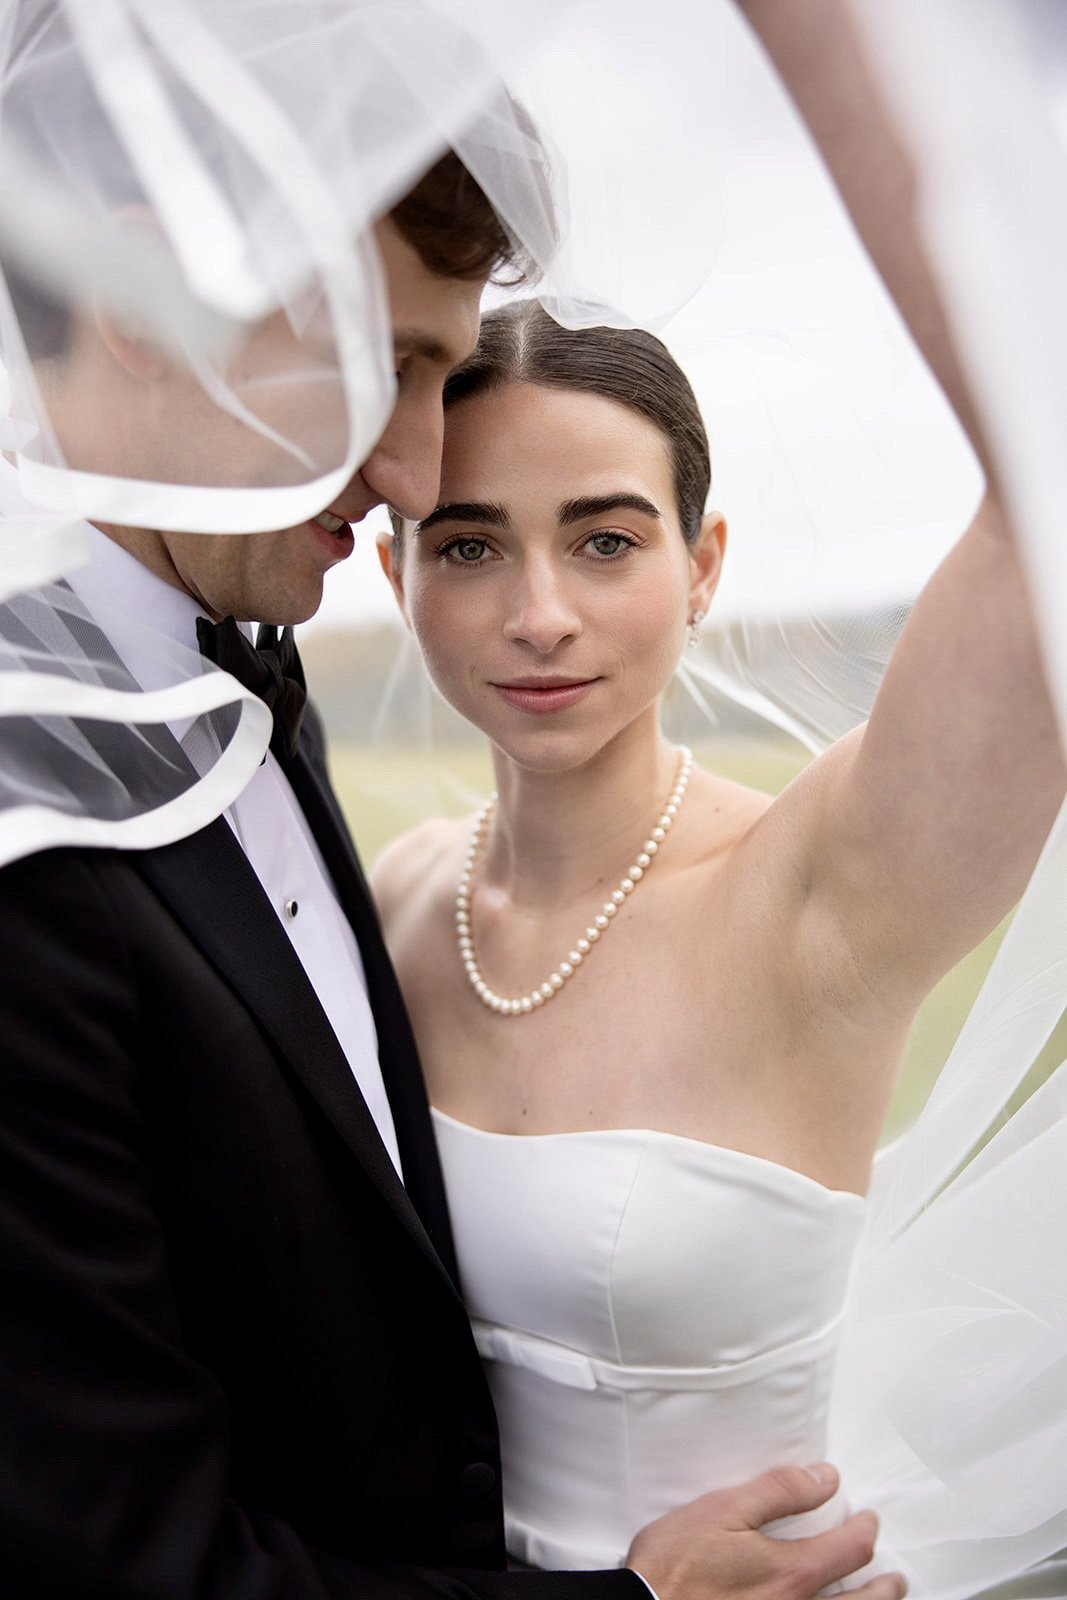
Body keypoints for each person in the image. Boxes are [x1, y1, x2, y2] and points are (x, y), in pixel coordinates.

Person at [0, 14, 902, 1600]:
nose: (418, 477)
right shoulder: (32, 842)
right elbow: (118, 1555)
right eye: (393, 363)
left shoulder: (227, 678)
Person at [370, 282, 1065, 1587]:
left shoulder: (821, 892)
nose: (540, 614)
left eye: (605, 542)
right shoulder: (402, 901)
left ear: (703, 567)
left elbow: (1048, 497)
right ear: (395, 570)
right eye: (469, 545)